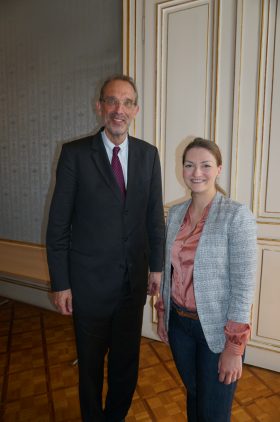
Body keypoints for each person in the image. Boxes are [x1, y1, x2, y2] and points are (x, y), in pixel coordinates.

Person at [46, 74, 164, 422]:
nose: (119, 109)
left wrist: (155, 268)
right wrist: (60, 283)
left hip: (132, 286)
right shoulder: (75, 154)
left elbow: (154, 219)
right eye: (112, 101)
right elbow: (58, 226)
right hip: (88, 287)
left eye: (127, 102)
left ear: (135, 109)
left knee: (127, 366)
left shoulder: (148, 155)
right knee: (91, 369)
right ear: (99, 106)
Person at [156, 138, 257, 422]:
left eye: (205, 165)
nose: (196, 172)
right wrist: (163, 314)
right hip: (180, 326)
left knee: (213, 412)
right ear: (182, 170)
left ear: (218, 169)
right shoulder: (175, 214)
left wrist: (234, 348)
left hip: (217, 331)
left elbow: (243, 286)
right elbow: (169, 270)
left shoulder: (236, 215)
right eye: (189, 165)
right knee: (195, 397)